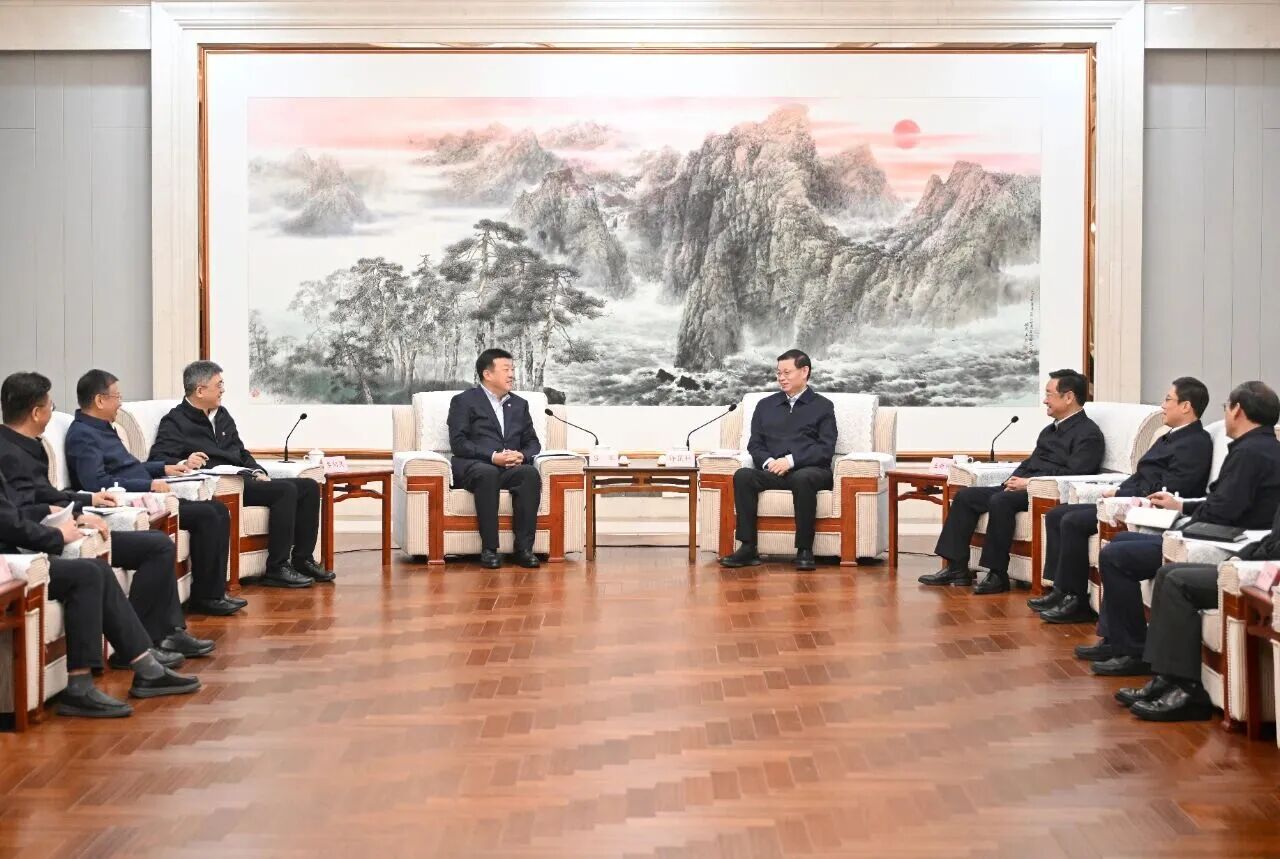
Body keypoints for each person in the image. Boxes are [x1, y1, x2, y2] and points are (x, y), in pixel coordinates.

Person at [0, 372, 215, 663]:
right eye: (50, 405)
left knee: (159, 544)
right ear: (36, 412)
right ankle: (141, 645)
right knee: (151, 548)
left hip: (65, 526)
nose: (53, 411)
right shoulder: (10, 453)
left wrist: (80, 509)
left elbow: (45, 493)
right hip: (38, 543)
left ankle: (165, 633)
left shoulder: (30, 445)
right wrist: (61, 524)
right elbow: (19, 511)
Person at [1082, 380, 1280, 677]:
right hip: (1220, 529)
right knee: (1121, 543)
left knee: (1117, 556)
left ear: (1238, 410)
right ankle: (1117, 640)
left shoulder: (1251, 453)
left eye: (1226, 407)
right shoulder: (1257, 447)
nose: (1225, 414)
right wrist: (1182, 507)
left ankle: (1131, 649)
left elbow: (1224, 510)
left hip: (1225, 541)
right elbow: (1223, 502)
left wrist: (1187, 519)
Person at [0, 468, 200, 718]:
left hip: (15, 559)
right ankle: (80, 687)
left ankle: (145, 666)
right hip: (11, 566)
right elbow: (7, 523)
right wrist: (56, 535)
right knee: (87, 575)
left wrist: (51, 515)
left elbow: (13, 512)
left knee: (98, 569)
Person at [1032, 377, 1214, 624]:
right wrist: (1118, 489)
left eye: (1168, 399)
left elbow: (1171, 488)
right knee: (1058, 514)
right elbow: (1142, 474)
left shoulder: (1195, 443)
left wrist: (1121, 494)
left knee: (1073, 521)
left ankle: (1076, 600)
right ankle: (1061, 590)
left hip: (1149, 509)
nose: (1162, 405)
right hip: (1128, 497)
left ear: (1186, 406)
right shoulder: (1170, 436)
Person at [62, 369, 244, 616]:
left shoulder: (103, 427)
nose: (120, 403)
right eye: (117, 397)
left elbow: (127, 467)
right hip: (134, 501)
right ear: (100, 400)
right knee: (209, 515)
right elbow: (96, 483)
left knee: (217, 509)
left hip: (149, 495)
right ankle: (207, 597)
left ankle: (213, 593)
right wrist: (147, 485)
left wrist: (163, 468)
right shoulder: (83, 435)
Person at [920, 369, 1106, 594]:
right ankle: (957, 567)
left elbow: (1077, 473)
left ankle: (997, 574)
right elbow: (1031, 462)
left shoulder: (1089, 434)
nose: (1045, 400)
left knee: (1001, 501)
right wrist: (1011, 481)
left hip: (1045, 493)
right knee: (966, 496)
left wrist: (1028, 483)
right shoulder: (1049, 430)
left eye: (1049, 394)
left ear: (1068, 397)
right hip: (1024, 486)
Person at [149, 360, 331, 589]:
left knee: (308, 487)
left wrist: (258, 471)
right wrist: (185, 462)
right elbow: (157, 459)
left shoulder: (222, 415)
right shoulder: (175, 421)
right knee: (285, 490)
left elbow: (241, 452)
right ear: (200, 390)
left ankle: (303, 559)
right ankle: (277, 568)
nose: (223, 390)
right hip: (221, 485)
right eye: (219, 385)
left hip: (243, 477)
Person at [1116, 502, 1280, 722]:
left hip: (1258, 575)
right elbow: (1272, 538)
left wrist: (1244, 561)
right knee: (1165, 573)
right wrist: (1238, 558)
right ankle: (1166, 678)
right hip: (1250, 564)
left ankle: (1189, 691)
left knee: (1177, 583)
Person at [719, 349, 837, 572]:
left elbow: (825, 448)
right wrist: (769, 462)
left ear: (804, 371)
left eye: (787, 372)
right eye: (778, 373)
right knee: (743, 476)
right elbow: (755, 445)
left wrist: (790, 461)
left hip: (811, 471)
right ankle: (748, 547)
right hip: (774, 470)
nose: (781, 378)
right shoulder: (765, 405)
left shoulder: (823, 406)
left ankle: (804, 550)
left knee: (803, 478)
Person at [446, 348, 542, 570]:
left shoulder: (519, 404)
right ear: (487, 374)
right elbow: (458, 443)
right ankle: (489, 549)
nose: (512, 374)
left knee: (529, 473)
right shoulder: (463, 401)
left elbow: (532, 442)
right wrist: (492, 457)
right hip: (475, 466)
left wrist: (522, 455)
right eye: (506, 369)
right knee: (487, 472)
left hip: (509, 467)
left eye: (512, 369)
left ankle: (524, 550)